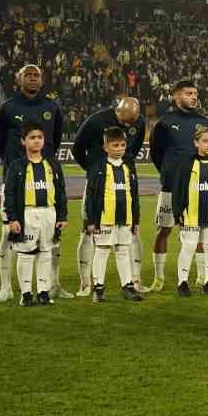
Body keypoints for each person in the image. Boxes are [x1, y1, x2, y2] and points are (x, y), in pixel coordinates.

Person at [0, 63, 67, 303]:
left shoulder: (51, 107)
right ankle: (6, 287)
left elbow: (56, 138)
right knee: (8, 233)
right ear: (18, 79)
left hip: (45, 181)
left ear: (42, 80)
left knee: (51, 237)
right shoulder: (8, 108)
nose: (33, 79)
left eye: (36, 75)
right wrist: (17, 166)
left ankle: (52, 285)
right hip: (16, 180)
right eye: (28, 75)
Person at [70, 96, 145, 296]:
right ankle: (86, 283)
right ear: (117, 111)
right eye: (125, 121)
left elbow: (133, 149)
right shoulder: (96, 121)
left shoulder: (139, 123)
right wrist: (95, 170)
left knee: (129, 235)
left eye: (132, 122)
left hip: (124, 177)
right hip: (100, 181)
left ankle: (133, 281)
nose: (129, 125)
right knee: (89, 230)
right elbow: (77, 148)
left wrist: (124, 163)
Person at [150, 81, 208, 292]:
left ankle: (203, 277)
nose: (194, 97)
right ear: (177, 97)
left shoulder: (203, 122)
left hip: (197, 188)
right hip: (170, 186)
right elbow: (156, 153)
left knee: (199, 232)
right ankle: (159, 278)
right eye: (189, 93)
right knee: (164, 230)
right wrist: (170, 173)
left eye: (195, 93)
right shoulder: (165, 122)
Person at [3, 120, 67, 306]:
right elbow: (10, 194)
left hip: (49, 213)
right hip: (27, 214)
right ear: (23, 141)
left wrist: (62, 216)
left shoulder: (53, 165)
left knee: (46, 252)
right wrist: (12, 218)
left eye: (39, 137)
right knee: (26, 253)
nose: (36, 141)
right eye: (32, 138)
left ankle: (43, 292)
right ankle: (26, 294)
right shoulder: (16, 166)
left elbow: (61, 191)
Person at [167, 125, 208, 297]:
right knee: (188, 247)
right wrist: (177, 213)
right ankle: (182, 282)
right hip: (190, 214)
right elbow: (178, 190)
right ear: (196, 142)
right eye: (205, 141)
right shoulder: (186, 164)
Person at [82, 126, 141, 303]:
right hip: (104, 219)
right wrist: (91, 220)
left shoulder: (128, 167)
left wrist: (136, 220)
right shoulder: (98, 168)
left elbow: (134, 195)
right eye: (115, 145)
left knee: (123, 251)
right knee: (102, 251)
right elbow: (91, 197)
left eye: (122, 145)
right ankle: (98, 287)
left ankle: (128, 286)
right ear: (105, 146)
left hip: (126, 218)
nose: (120, 149)